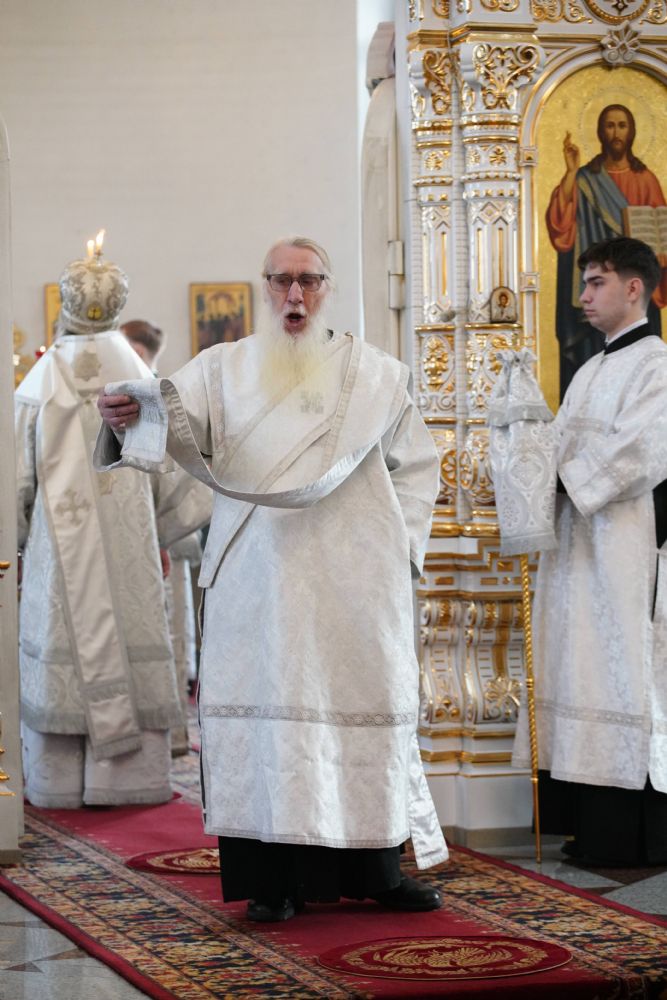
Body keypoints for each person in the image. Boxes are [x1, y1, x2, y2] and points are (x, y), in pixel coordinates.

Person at [96, 235, 448, 921]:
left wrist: (395, 553)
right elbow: (166, 426)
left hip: (353, 586)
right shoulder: (220, 369)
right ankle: (270, 882)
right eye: (281, 280)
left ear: (328, 288)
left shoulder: (377, 375)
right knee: (264, 728)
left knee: (357, 719)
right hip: (255, 583)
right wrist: (126, 417)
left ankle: (375, 872)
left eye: (309, 280)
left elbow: (417, 470)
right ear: (264, 287)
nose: (295, 294)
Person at [15, 245, 211, 808]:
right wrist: (158, 533)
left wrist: (23, 542)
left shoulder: (38, 383)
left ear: (67, 307)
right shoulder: (140, 375)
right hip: (131, 555)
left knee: (62, 640)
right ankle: (124, 783)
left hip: (58, 559)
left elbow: (16, 483)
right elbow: (178, 480)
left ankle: (57, 783)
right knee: (130, 634)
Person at [513, 236, 667, 865]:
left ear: (635, 287)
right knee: (578, 670)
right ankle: (585, 826)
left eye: (596, 282)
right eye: (583, 283)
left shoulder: (656, 366)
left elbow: (642, 452)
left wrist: (561, 478)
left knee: (619, 676)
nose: (583, 296)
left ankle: (628, 837)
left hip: (625, 548)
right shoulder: (590, 369)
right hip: (577, 549)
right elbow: (555, 448)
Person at [122, 318, 205, 756]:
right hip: (139, 537)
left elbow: (176, 477)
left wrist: (160, 536)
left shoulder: (158, 399)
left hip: (160, 537)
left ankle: (170, 734)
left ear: (139, 352)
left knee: (168, 632)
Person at [546, 104, 667, 399]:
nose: (616, 133)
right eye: (609, 126)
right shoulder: (586, 178)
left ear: (632, 131)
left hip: (637, 289)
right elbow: (561, 226)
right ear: (600, 132)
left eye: (622, 125)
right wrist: (571, 173)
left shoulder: (645, 179)